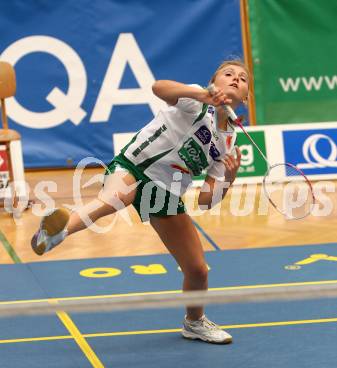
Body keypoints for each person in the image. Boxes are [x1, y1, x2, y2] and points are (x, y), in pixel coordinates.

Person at [31, 59, 250, 344]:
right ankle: (55, 232)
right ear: (214, 81)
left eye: (242, 78)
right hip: (135, 166)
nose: (235, 78)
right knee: (116, 196)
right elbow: (160, 88)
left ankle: (194, 323)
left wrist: (228, 180)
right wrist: (201, 95)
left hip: (166, 192)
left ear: (245, 97)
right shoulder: (197, 100)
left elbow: (207, 200)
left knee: (197, 269)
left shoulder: (229, 142)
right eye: (228, 74)